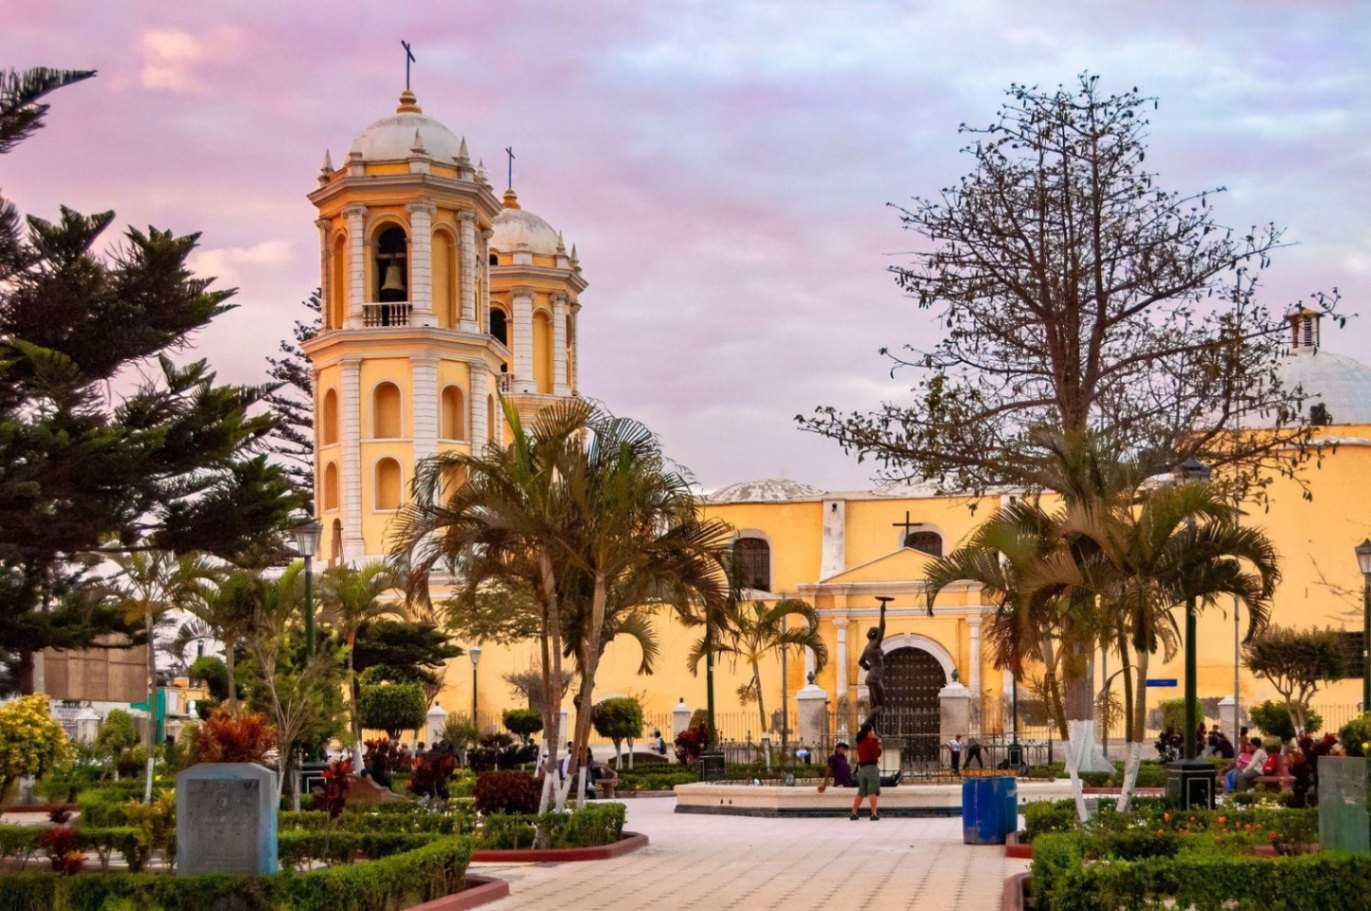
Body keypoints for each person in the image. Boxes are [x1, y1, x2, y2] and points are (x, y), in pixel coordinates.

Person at [858, 599, 889, 727]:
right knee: (881, 705)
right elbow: (883, 628)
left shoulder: (867, 647)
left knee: (874, 706)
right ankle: (865, 725)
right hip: (875, 678)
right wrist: (882, 613)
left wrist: (870, 667)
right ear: (876, 635)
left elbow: (860, 662)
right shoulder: (875, 644)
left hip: (871, 676)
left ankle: (872, 730)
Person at [850, 723, 882, 821]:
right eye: (872, 731)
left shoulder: (860, 742)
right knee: (872, 791)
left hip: (862, 769)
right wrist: (879, 744)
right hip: (871, 768)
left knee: (861, 792)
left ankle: (853, 813)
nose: (873, 732)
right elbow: (877, 753)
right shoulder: (869, 742)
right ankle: (873, 814)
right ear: (868, 732)